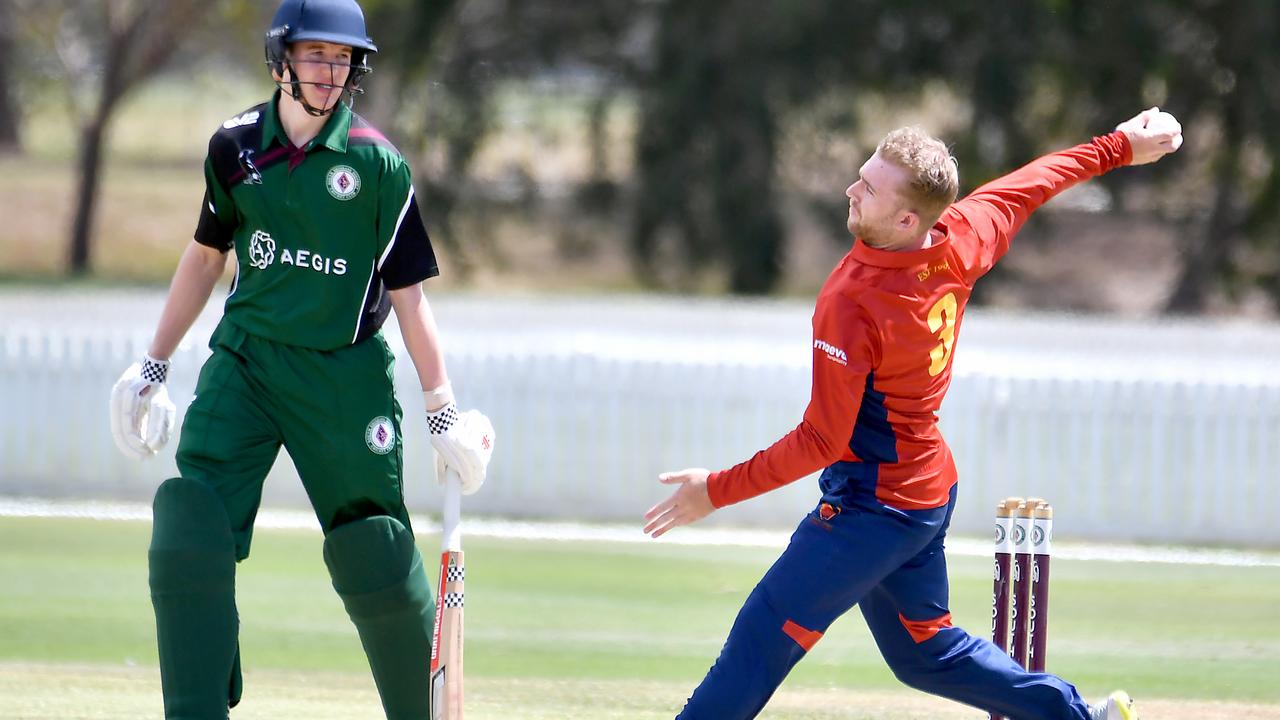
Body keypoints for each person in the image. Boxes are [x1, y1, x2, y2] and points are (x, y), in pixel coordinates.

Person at [644, 107, 1183, 720]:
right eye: (861, 175)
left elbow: (822, 439)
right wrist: (1120, 146)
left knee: (765, 631)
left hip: (875, 508)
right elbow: (1035, 183)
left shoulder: (853, 303)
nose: (851, 189)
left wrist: (714, 491)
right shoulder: (961, 237)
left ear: (905, 217)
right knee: (925, 654)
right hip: (924, 492)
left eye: (868, 188)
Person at [107, 1, 494, 717]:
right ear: (281, 57)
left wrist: (442, 410)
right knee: (189, 524)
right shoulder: (233, 148)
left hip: (342, 378)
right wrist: (152, 365)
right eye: (317, 55)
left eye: (343, 59)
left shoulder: (378, 165)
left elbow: (410, 299)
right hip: (246, 365)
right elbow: (203, 257)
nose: (331, 72)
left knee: (374, 550)